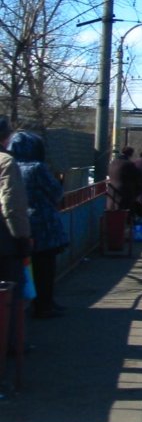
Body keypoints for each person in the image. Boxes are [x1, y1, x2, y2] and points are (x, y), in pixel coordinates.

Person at [8, 132, 68, 319]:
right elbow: (56, 193)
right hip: (44, 224)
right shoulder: (37, 168)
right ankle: (45, 304)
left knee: (25, 269)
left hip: (19, 225)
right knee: (45, 268)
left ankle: (32, 304)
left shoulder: (10, 166)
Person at [0, 117, 31, 358]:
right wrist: (22, 237)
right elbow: (12, 204)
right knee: (11, 296)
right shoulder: (6, 162)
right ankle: (11, 345)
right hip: (5, 242)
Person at [106, 146, 141, 213]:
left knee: (112, 213)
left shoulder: (113, 163)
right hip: (124, 192)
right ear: (130, 154)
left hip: (111, 191)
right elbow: (137, 176)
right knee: (123, 214)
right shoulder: (129, 164)